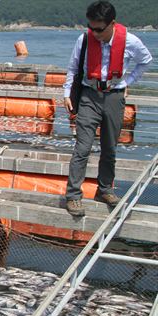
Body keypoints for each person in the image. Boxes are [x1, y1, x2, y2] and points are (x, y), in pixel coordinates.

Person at [63, 0, 152, 216]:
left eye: (99, 29)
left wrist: (127, 81)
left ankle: (105, 190)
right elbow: (73, 67)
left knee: (110, 147)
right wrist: (67, 93)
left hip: (114, 97)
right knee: (82, 148)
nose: (95, 33)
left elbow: (146, 60)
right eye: (91, 27)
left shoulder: (130, 41)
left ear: (112, 23)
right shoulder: (84, 39)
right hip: (89, 97)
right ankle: (73, 195)